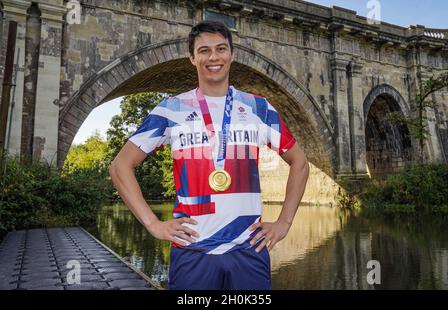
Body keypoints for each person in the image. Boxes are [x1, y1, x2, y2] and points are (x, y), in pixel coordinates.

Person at [109, 20, 309, 290]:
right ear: (192, 58)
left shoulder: (258, 108)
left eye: (221, 49)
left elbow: (300, 162)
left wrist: (285, 222)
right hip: (192, 251)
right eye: (204, 50)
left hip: (249, 248)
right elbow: (120, 166)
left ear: (231, 55)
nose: (213, 57)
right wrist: (153, 224)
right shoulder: (171, 109)